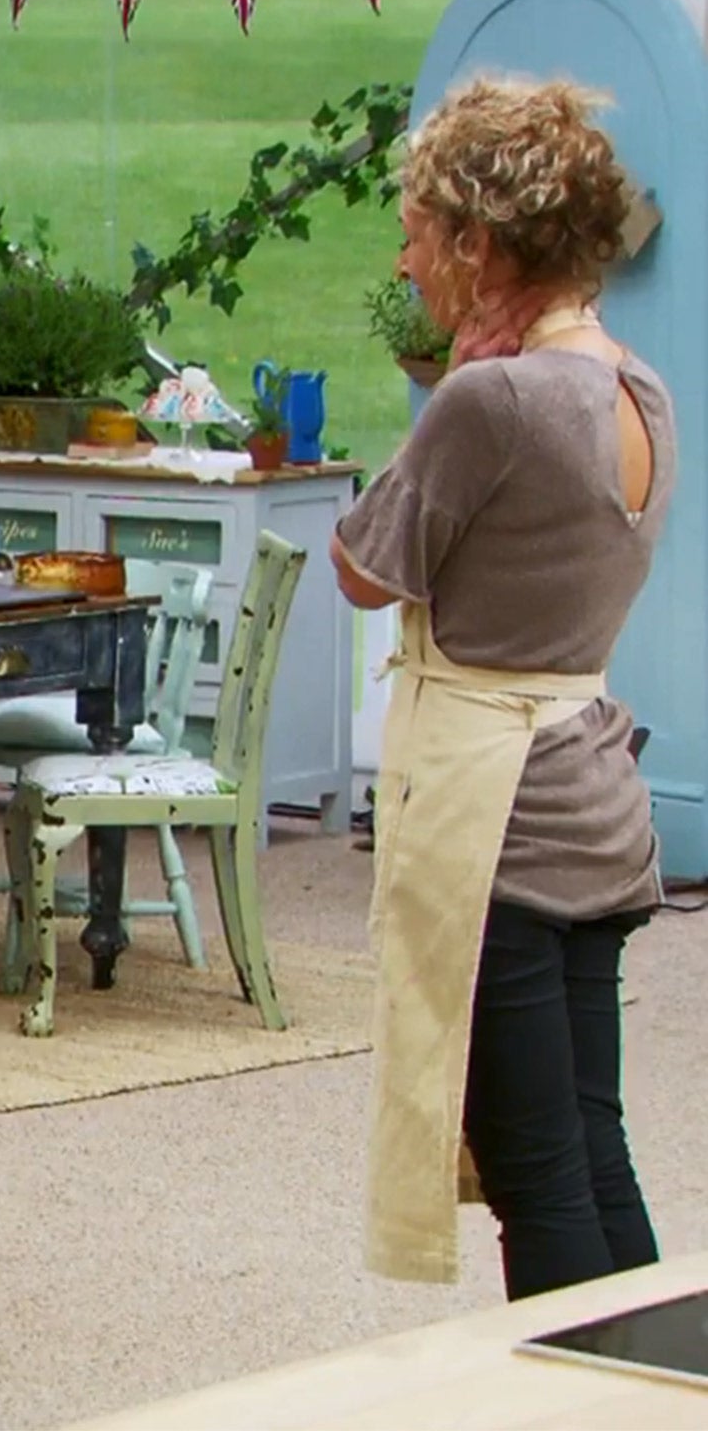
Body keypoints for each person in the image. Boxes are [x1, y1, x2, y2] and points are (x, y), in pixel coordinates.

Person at [333, 76, 668, 1302]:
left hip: (498, 826)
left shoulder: (494, 397)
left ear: (477, 245)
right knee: (592, 1149)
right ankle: (651, 1389)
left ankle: (572, 1401)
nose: (404, 252)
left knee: (535, 1177)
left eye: (419, 226)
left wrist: (441, 397)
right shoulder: (639, 387)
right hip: (588, 793)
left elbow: (364, 566)